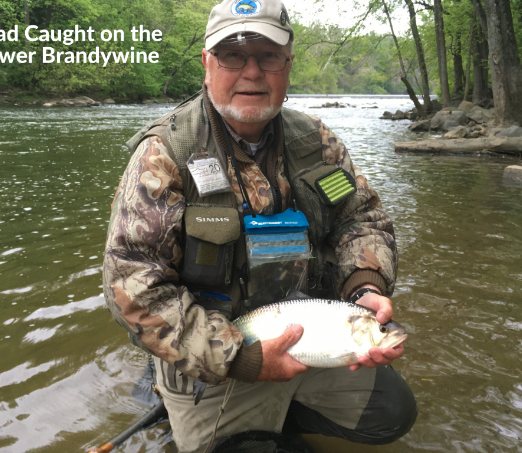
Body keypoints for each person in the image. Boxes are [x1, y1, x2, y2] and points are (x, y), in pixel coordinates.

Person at [103, 0, 417, 451]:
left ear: (287, 66)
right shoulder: (165, 153)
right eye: (233, 55)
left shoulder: (318, 142)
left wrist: (364, 287)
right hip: (219, 351)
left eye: (268, 56)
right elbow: (132, 285)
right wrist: (240, 358)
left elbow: (361, 221)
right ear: (208, 65)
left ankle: (284, 412)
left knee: (392, 415)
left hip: (311, 330)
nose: (252, 72)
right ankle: (185, 393)